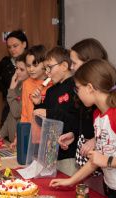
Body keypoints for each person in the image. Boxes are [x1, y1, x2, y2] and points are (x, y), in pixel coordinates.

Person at [49, 59, 116, 198]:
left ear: (89, 87)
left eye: (77, 89)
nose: (77, 94)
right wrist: (71, 181)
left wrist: (107, 161)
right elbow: (95, 161)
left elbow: (103, 160)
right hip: (111, 188)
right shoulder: (97, 115)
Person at [58, 38, 109, 194]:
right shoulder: (96, 114)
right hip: (94, 158)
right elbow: (81, 119)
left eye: (74, 63)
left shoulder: (112, 110)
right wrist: (75, 133)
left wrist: (97, 140)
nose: (72, 68)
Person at [31, 46, 79, 176]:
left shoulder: (75, 87)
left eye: (49, 68)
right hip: (50, 154)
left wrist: (49, 113)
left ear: (64, 66)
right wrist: (38, 105)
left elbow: (75, 122)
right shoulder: (51, 91)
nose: (47, 73)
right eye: (45, 69)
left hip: (68, 155)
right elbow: (43, 123)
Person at [10, 45, 53, 151]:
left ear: (45, 64)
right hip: (31, 137)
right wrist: (18, 139)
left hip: (48, 139)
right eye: (28, 66)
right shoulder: (26, 84)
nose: (31, 69)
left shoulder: (52, 84)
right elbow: (24, 114)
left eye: (35, 65)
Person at [0, 30, 28, 127]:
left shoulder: (31, 61)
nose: (12, 49)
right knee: (6, 131)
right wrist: (5, 89)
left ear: (24, 44)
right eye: (9, 47)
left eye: (15, 46)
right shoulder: (6, 62)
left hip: (27, 101)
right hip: (10, 101)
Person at [0, 53, 29, 145]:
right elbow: (10, 114)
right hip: (13, 141)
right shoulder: (18, 86)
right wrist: (2, 133)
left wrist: (11, 90)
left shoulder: (28, 89)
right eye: (16, 68)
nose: (17, 72)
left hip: (23, 141)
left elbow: (17, 112)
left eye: (22, 69)